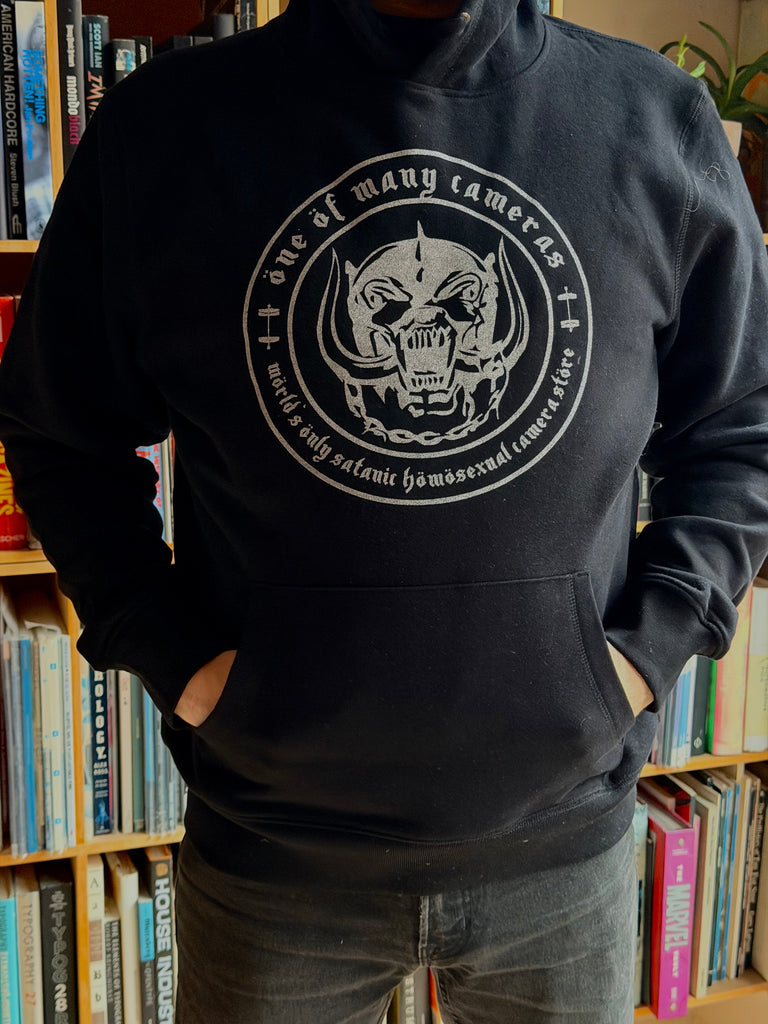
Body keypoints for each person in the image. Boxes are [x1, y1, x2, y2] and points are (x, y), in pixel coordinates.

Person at [0, 1, 767, 1021]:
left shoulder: (656, 118)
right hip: (273, 868)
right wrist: (172, 654)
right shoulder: (165, 128)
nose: (423, 339)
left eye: (451, 311)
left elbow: (741, 428)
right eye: (393, 313)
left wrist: (641, 654)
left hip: (566, 856)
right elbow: (61, 432)